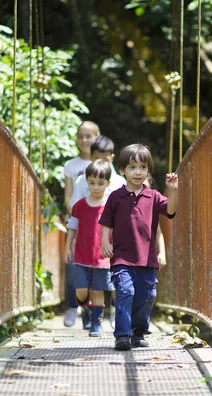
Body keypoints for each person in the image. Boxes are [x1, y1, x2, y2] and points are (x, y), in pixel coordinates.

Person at [99, 144, 179, 351]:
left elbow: (170, 210)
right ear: (122, 170)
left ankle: (138, 331)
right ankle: (123, 335)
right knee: (125, 291)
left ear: (148, 171)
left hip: (147, 258)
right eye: (132, 167)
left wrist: (172, 189)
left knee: (147, 296)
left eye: (143, 167)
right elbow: (106, 221)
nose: (138, 172)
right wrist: (104, 241)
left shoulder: (153, 196)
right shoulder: (116, 197)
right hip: (122, 256)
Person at [68, 135, 126, 328]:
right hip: (85, 243)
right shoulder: (81, 183)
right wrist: (71, 242)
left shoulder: (119, 183)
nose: (95, 186)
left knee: (103, 284)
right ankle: (86, 308)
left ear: (111, 157)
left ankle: (104, 320)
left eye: (105, 157)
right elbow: (73, 213)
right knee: (84, 287)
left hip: (109, 244)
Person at [64, 159, 114, 337]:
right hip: (82, 255)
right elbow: (72, 226)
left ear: (108, 183)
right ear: (86, 181)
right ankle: (85, 309)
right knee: (82, 290)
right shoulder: (80, 206)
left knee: (98, 290)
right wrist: (68, 247)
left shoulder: (110, 206)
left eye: (101, 183)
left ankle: (96, 323)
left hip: (102, 257)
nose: (96, 186)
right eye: (92, 182)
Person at [62, 121, 100, 328]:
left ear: (97, 136)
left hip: (99, 223)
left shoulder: (103, 164)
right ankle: (72, 305)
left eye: (89, 136)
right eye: (81, 136)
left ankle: (92, 313)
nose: (84, 140)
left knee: (99, 268)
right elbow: (69, 196)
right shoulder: (71, 166)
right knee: (75, 265)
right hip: (79, 221)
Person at [144, 174, 166, 269]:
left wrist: (162, 252)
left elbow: (158, 233)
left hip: (147, 259)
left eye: (144, 188)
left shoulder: (151, 210)